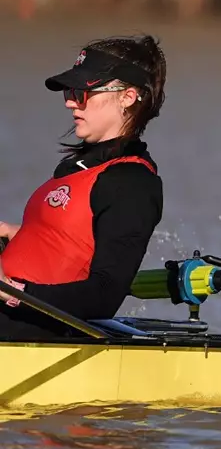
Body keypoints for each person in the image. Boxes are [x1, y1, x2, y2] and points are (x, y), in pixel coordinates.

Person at [0, 36, 167, 339]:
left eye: (83, 92)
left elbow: (104, 295)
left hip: (31, 331)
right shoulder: (78, 170)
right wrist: (18, 234)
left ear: (127, 97)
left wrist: (11, 290)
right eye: (70, 91)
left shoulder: (132, 183)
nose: (70, 102)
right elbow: (70, 242)